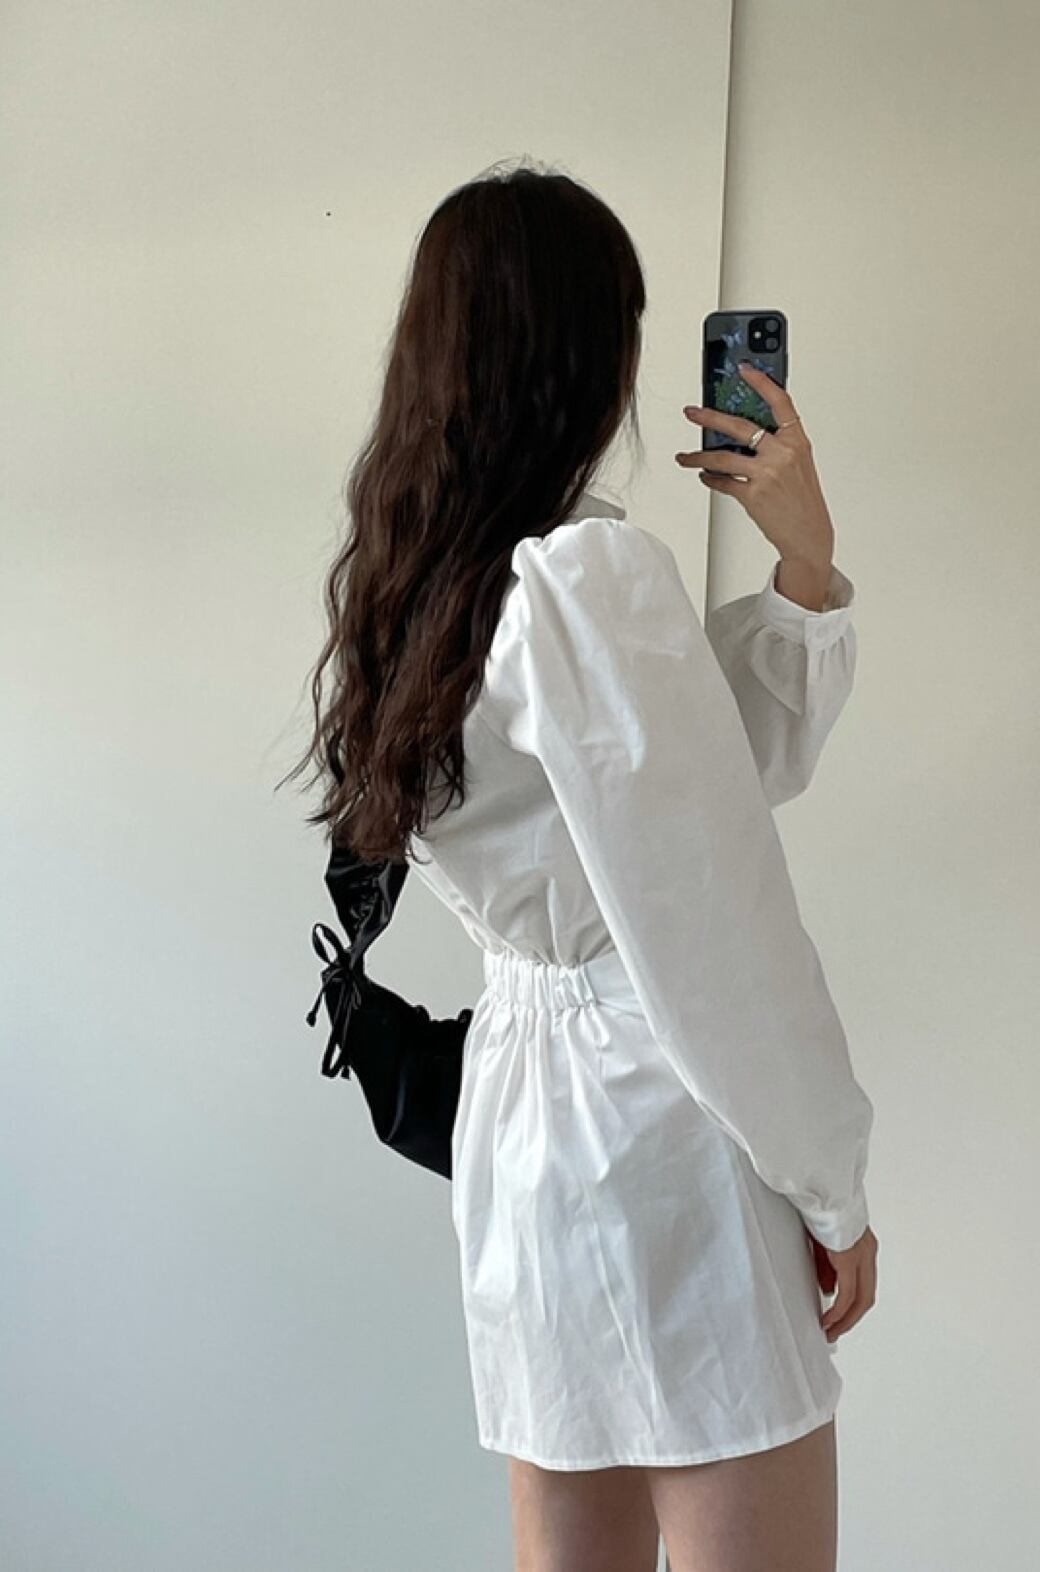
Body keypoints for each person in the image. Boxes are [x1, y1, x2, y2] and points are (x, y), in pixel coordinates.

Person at [288, 159, 879, 1572]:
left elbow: (675, 790)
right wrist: (831, 1186)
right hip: (662, 1121)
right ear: (586, 357)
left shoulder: (418, 587)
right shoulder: (583, 577)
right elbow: (710, 921)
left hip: (526, 1131)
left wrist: (804, 570)